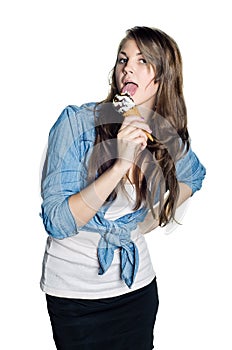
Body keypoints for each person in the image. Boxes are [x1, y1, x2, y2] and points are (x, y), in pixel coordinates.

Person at [40, 26, 206, 350]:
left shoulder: (162, 133)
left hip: (138, 290)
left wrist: (151, 219)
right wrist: (120, 164)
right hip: (76, 299)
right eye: (123, 59)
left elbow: (194, 175)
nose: (127, 67)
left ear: (163, 76)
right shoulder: (77, 123)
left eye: (142, 60)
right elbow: (57, 221)